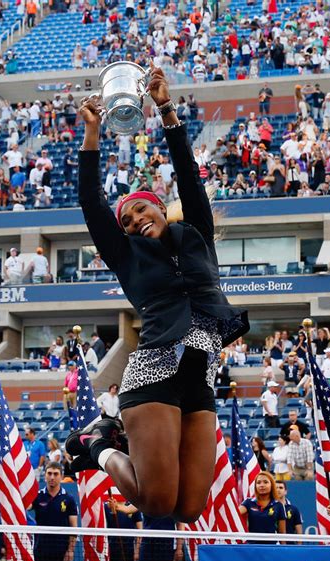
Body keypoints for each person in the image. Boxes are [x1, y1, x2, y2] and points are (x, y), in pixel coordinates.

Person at [67, 63, 248, 523]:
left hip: (201, 372)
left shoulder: (197, 234)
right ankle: (97, 445)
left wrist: (165, 107)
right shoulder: (127, 257)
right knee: (156, 504)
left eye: (141, 211)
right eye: (127, 221)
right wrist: (92, 134)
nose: (134, 222)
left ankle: (103, 444)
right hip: (155, 371)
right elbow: (92, 202)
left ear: (160, 207)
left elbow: (189, 174)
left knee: (190, 508)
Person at [31, 462, 78, 561]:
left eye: (56, 474)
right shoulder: (36, 496)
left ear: (61, 476)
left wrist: (70, 550)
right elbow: (23, 507)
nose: (52, 477)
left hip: (61, 554)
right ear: (44, 476)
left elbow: (74, 527)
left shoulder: (68, 499)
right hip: (41, 552)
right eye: (49, 473)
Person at [238, 472, 286, 542]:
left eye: (265, 482)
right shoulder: (248, 502)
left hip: (271, 547)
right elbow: (235, 514)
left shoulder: (278, 505)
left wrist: (283, 551)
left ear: (272, 485)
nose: (262, 485)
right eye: (258, 483)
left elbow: (282, 533)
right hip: (252, 546)